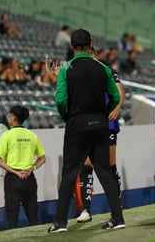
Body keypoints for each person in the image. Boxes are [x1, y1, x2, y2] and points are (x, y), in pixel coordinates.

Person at [48, 28, 125, 232]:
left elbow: (60, 99)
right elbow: (116, 97)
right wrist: (103, 113)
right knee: (106, 173)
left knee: (70, 174)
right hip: (100, 124)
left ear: (72, 46)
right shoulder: (103, 68)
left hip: (77, 125)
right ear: (90, 45)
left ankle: (60, 223)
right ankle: (117, 218)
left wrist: (67, 116)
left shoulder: (66, 69)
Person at [74, 45, 126, 223]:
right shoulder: (79, 72)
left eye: (89, 54)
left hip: (107, 124)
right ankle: (86, 211)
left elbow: (119, 93)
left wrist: (116, 108)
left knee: (109, 168)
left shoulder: (107, 71)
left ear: (95, 54)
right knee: (86, 166)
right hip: (88, 125)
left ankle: (116, 209)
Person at [0, 105, 46, 229]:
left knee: (12, 219)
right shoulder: (32, 135)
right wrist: (31, 169)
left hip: (13, 179)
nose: (9, 117)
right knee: (33, 217)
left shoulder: (6, 136)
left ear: (14, 117)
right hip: (29, 178)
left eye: (10, 115)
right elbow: (42, 158)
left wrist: (16, 172)